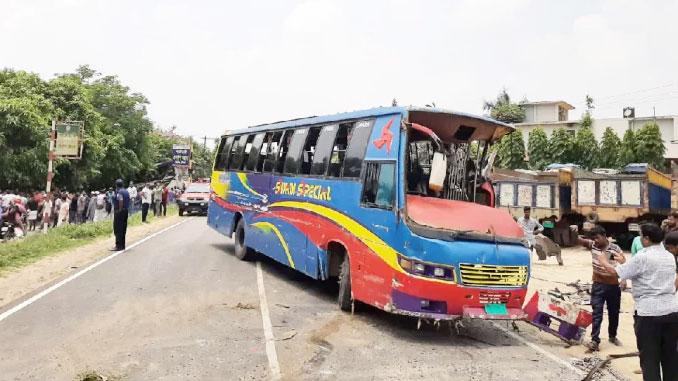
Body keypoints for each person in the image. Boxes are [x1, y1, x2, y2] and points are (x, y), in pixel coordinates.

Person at [598, 224, 678, 381]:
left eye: (641, 236)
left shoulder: (642, 256)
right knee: (670, 358)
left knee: (649, 359)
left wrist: (603, 261)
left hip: (648, 314)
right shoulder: (669, 256)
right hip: (672, 312)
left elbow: (615, 273)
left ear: (646, 239)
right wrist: (623, 262)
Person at [576, 225, 623, 352]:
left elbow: (624, 263)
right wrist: (574, 232)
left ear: (604, 236)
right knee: (597, 313)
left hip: (613, 286)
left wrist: (623, 278)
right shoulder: (593, 245)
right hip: (598, 285)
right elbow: (579, 240)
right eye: (594, 238)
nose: (595, 240)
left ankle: (612, 336)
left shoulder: (615, 248)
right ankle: (595, 340)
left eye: (597, 238)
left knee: (614, 312)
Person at [112, 179, 130, 251]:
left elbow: (120, 200)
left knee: (117, 228)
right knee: (123, 228)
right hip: (125, 211)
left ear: (116, 185)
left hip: (120, 211)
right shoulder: (126, 191)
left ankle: (118, 246)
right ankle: (122, 245)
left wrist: (119, 210)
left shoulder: (119, 192)